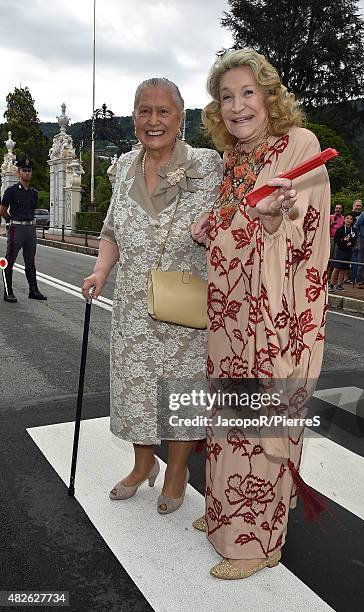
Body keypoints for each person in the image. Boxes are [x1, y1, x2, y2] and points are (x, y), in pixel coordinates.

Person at [190, 49, 330, 579]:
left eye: (247, 93)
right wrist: (213, 226)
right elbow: (235, 225)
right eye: (226, 97)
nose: (236, 106)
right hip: (231, 317)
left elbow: (306, 237)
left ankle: (257, 543)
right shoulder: (235, 159)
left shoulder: (300, 147)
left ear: (270, 97)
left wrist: (273, 224)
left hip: (275, 317)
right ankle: (227, 507)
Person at [82, 78, 223, 512]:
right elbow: (111, 230)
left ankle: (177, 472)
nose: (154, 120)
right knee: (136, 390)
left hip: (186, 307)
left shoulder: (208, 166)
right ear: (135, 117)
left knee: (181, 393)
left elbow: (236, 220)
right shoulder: (123, 166)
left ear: (182, 118)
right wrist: (101, 270)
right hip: (133, 307)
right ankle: (144, 465)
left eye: (164, 111)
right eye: (145, 111)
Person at [0, 158, 47, 302]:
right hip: (17, 228)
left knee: (30, 261)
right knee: (10, 260)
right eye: (24, 170)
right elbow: (2, 210)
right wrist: (11, 221)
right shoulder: (11, 191)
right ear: (19, 172)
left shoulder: (34, 192)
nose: (27, 173)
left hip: (30, 229)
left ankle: (33, 290)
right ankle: (8, 292)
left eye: (29, 170)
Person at [329, 213, 357, 291]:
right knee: (337, 267)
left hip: (349, 251)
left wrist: (351, 243)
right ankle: (331, 284)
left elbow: (355, 240)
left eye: (350, 219)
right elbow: (336, 239)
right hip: (341, 251)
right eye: (347, 218)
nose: (349, 220)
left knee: (344, 269)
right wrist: (343, 240)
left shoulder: (354, 230)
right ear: (344, 220)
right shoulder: (340, 229)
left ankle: (339, 285)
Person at [328, 204, 344, 278]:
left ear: (341, 210)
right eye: (336, 208)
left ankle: (331, 275)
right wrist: (331, 224)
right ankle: (326, 274)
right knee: (329, 256)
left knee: (335, 257)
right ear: (334, 209)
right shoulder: (330, 217)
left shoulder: (343, 218)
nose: (338, 209)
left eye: (339, 208)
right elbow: (325, 227)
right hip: (330, 238)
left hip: (338, 240)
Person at [349, 199, 363, 284]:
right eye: (357, 206)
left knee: (357, 259)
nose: (358, 207)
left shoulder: (363, 215)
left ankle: (355, 278)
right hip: (350, 239)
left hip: (360, 239)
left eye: (360, 206)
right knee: (349, 259)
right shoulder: (349, 215)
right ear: (353, 206)